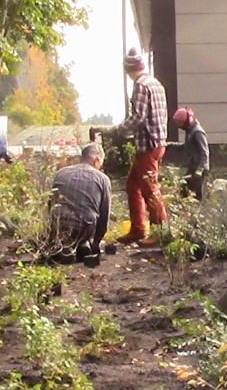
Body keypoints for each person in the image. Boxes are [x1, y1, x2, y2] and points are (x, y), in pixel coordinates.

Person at [91, 48, 167, 246]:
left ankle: (160, 233)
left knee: (150, 189)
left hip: (147, 144)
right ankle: (138, 229)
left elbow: (139, 118)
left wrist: (118, 130)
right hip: (158, 142)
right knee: (133, 185)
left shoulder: (141, 86)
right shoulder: (155, 83)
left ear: (128, 70)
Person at [49, 143, 112, 264]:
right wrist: (97, 242)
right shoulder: (102, 179)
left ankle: (63, 246)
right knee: (86, 220)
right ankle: (83, 243)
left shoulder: (61, 173)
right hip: (84, 226)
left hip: (58, 225)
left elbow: (50, 204)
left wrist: (51, 230)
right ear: (97, 161)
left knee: (60, 218)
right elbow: (104, 214)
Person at [171, 107, 210, 201]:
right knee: (183, 190)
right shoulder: (190, 131)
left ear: (186, 121)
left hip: (199, 170)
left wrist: (199, 170)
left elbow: (204, 153)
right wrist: (172, 145)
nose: (179, 126)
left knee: (197, 196)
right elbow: (188, 146)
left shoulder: (198, 132)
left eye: (180, 123)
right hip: (193, 167)